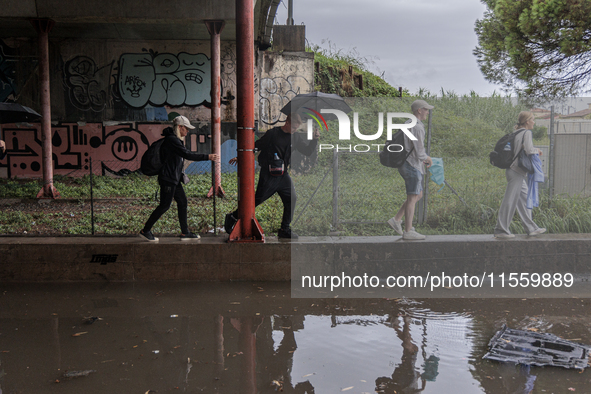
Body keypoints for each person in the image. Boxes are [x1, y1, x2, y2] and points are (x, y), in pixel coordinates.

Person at [225, 113, 319, 239]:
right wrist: (241, 156)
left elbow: (307, 151)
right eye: (293, 128)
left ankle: (284, 229)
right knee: (257, 199)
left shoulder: (295, 137)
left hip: (283, 175)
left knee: (291, 199)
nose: (294, 130)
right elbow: (255, 146)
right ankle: (233, 216)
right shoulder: (273, 134)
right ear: (287, 122)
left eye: (296, 128)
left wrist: (315, 139)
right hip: (268, 175)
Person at [139, 115, 219, 242]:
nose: (187, 131)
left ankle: (185, 232)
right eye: (186, 128)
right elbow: (187, 154)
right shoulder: (172, 140)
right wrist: (207, 156)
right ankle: (145, 230)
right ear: (180, 127)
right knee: (164, 205)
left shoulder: (175, 140)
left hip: (174, 179)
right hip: (168, 179)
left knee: (182, 202)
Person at [494, 111, 546, 238]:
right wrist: (537, 150)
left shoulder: (516, 132)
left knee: (523, 199)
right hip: (516, 171)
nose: (534, 122)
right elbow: (529, 150)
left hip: (515, 171)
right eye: (533, 119)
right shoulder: (527, 132)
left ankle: (531, 228)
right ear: (527, 121)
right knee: (510, 200)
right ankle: (501, 230)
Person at [387, 100, 434, 240]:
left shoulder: (408, 122)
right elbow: (420, 152)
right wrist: (428, 158)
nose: (427, 112)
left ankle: (396, 219)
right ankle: (408, 231)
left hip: (404, 163)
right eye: (426, 109)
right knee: (413, 197)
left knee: (417, 195)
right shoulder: (418, 127)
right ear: (419, 110)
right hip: (412, 165)